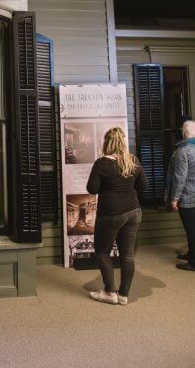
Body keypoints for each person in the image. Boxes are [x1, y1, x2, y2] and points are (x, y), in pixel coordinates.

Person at [86, 127, 147, 305]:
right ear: (123, 142)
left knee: (103, 251)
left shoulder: (102, 163)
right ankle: (123, 295)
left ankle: (109, 292)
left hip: (111, 214)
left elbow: (92, 189)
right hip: (133, 212)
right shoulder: (132, 160)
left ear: (107, 142)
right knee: (127, 254)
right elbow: (144, 186)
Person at [168, 120, 195, 272]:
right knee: (194, 228)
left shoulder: (182, 152)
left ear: (184, 133)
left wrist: (174, 198)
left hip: (186, 196)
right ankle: (192, 254)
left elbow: (180, 177)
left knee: (192, 229)